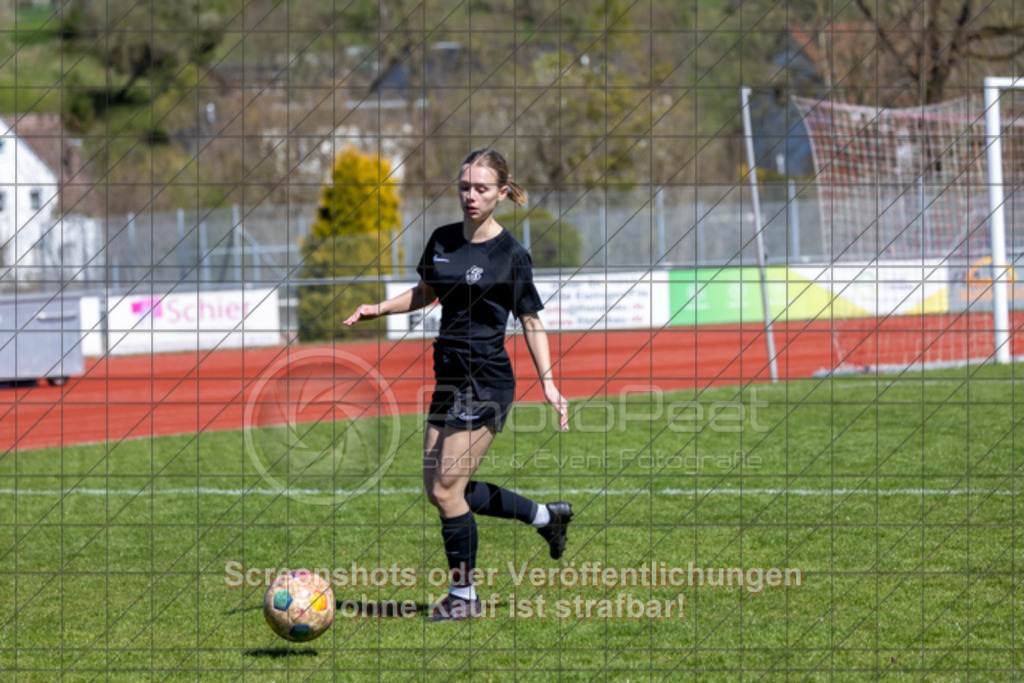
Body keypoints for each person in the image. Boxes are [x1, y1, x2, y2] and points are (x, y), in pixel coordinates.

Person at [344, 148, 572, 622]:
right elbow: (429, 290)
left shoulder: (511, 254)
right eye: (465, 187)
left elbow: (531, 320)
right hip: (447, 375)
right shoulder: (442, 239)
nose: (471, 196)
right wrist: (378, 308)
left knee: (448, 487)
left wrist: (549, 383)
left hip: (486, 381)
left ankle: (464, 598)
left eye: (482, 189)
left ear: (502, 193)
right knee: (441, 489)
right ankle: (548, 517)